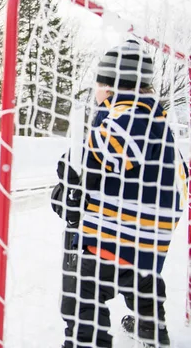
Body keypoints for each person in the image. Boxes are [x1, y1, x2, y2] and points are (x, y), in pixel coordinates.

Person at [51, 40, 188, 348]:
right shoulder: (156, 121)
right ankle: (150, 330)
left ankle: (86, 341)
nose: (97, 92)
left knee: (83, 291)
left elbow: (116, 150)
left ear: (112, 85)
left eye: (99, 83)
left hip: (117, 239)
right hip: (147, 245)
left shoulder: (133, 113)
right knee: (143, 287)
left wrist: (76, 162)